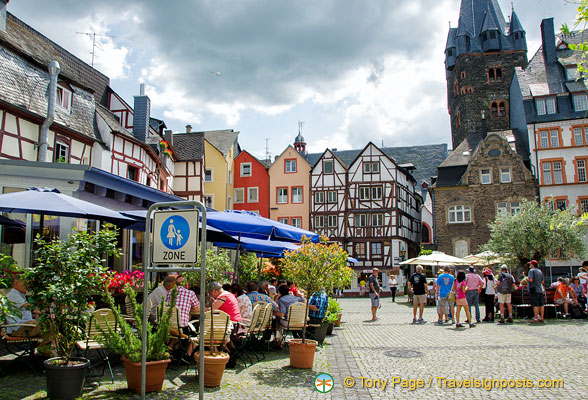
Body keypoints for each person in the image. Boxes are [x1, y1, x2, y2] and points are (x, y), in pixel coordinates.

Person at [5, 276, 50, 349]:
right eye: (24, 284)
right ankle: (46, 349)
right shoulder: (13, 295)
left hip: (25, 325)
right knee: (47, 324)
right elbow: (30, 308)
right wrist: (44, 313)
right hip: (18, 329)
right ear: (16, 284)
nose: (27, 286)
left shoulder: (20, 295)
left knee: (50, 326)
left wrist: (36, 315)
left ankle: (48, 349)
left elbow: (26, 311)